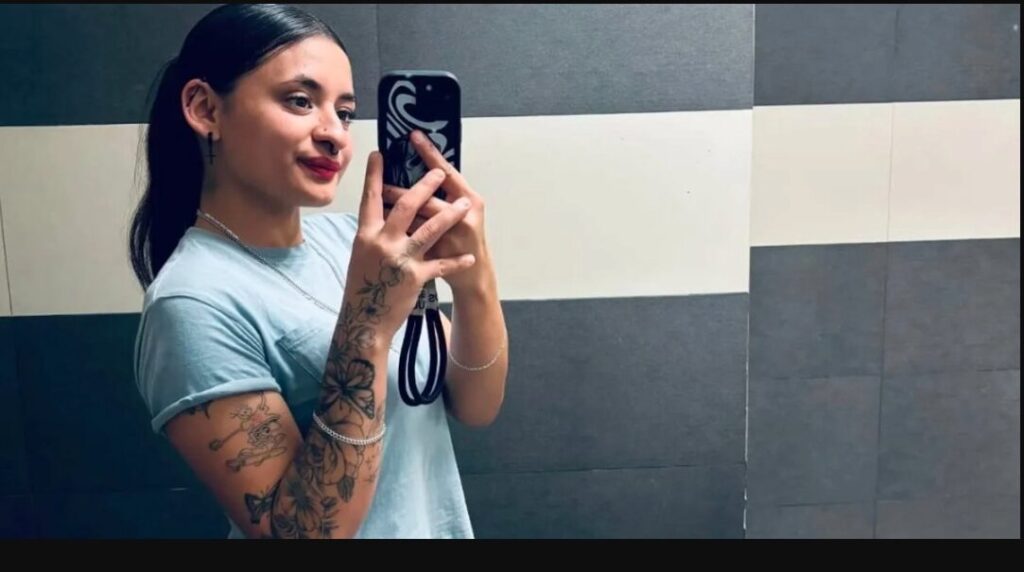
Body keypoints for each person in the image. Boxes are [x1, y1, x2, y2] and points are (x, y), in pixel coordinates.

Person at [128, 4, 508, 539]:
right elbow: (302, 534)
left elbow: (475, 404)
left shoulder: (357, 245)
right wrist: (368, 324)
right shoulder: (191, 305)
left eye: (345, 112)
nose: (335, 135)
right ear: (205, 108)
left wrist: (473, 278)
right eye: (300, 101)